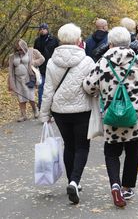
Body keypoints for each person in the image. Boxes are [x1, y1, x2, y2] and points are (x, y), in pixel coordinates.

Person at [83, 26, 138, 208]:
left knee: (111, 152)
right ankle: (127, 187)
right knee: (133, 152)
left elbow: (88, 86)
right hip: (135, 116)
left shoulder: (102, 62)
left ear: (110, 43)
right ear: (129, 42)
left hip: (111, 116)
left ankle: (114, 184)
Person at [39, 23, 95, 204]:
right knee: (82, 147)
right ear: (78, 39)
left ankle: (72, 181)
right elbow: (93, 87)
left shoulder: (52, 62)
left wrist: (44, 114)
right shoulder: (87, 61)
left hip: (60, 111)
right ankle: (75, 181)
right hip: (82, 111)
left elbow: (47, 90)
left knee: (69, 146)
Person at [8, 39, 45, 122]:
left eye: (21, 49)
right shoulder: (12, 56)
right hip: (17, 79)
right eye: (17, 49)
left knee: (30, 96)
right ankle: (23, 115)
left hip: (29, 78)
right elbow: (10, 70)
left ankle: (35, 110)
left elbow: (42, 59)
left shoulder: (32, 51)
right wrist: (10, 81)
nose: (19, 51)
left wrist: (33, 63)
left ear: (24, 47)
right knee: (20, 97)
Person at [34, 23, 59, 110]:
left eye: (44, 29)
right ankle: (41, 105)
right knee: (41, 86)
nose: (42, 30)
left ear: (47, 29)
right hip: (41, 67)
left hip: (53, 66)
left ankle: (54, 104)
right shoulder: (37, 41)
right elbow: (34, 54)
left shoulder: (54, 40)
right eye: (40, 29)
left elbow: (58, 51)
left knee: (53, 86)